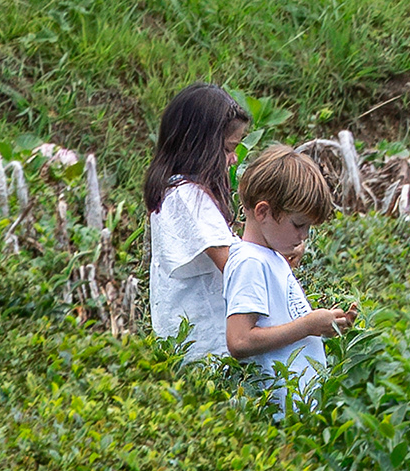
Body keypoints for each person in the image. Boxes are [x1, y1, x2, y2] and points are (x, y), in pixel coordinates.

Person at [222, 147, 358, 399]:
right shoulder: (250, 262)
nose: (304, 235)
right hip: (277, 412)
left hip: (298, 406)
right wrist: (308, 326)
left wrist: (325, 323)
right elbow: (239, 341)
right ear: (263, 212)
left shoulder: (269, 256)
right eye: (298, 225)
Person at [143, 82, 247, 361]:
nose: (233, 159)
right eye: (228, 149)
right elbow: (237, 268)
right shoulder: (187, 198)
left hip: (198, 351)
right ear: (200, 147)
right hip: (206, 354)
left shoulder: (176, 193)